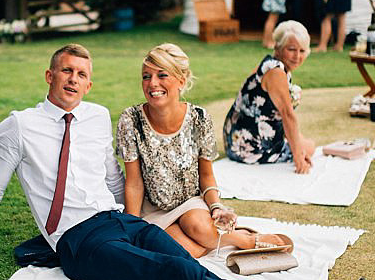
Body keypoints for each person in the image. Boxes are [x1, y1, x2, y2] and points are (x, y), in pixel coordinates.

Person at [0, 43, 366, 280]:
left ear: (89, 83)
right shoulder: (18, 126)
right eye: (66, 71)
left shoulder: (96, 117)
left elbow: (114, 178)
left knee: (195, 274)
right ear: (50, 76)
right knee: (176, 273)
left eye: (81, 74)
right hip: (78, 242)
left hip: (119, 222)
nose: (72, 79)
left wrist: (132, 223)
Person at [115, 44, 289, 259]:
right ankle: (221, 238)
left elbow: (206, 174)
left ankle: (244, 240)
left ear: (181, 80)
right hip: (151, 208)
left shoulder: (199, 118)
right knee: (189, 251)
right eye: (146, 76)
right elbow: (133, 182)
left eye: (162, 75)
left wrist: (215, 207)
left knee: (198, 228)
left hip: (190, 202)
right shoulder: (130, 119)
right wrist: (134, 227)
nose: (152, 84)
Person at [223, 21, 315, 173]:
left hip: (235, 139)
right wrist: (298, 156)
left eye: (302, 50)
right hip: (248, 147)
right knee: (310, 146)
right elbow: (287, 115)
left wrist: (298, 145)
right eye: (291, 49)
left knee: (303, 143)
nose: (297, 56)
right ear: (278, 47)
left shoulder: (271, 65)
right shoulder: (276, 72)